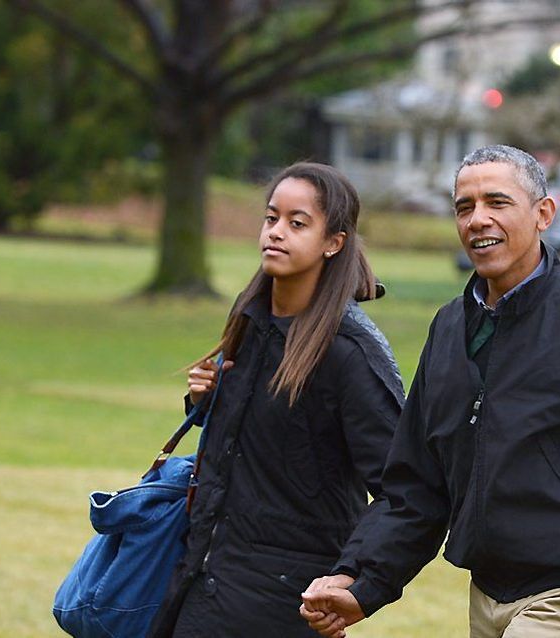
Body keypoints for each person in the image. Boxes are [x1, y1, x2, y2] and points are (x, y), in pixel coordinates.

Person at [301, 145, 560, 638]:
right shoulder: (451, 327)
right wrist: (358, 581)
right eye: (464, 206)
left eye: (497, 202)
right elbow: (415, 485)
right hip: (489, 592)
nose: (478, 220)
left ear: (543, 214)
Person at [146, 162, 404, 638]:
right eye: (271, 218)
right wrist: (206, 402)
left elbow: (401, 489)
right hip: (202, 579)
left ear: (334, 242)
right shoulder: (251, 321)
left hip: (285, 603)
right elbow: (257, 443)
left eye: (297, 222)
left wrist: (351, 579)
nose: (276, 232)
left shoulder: (350, 353)